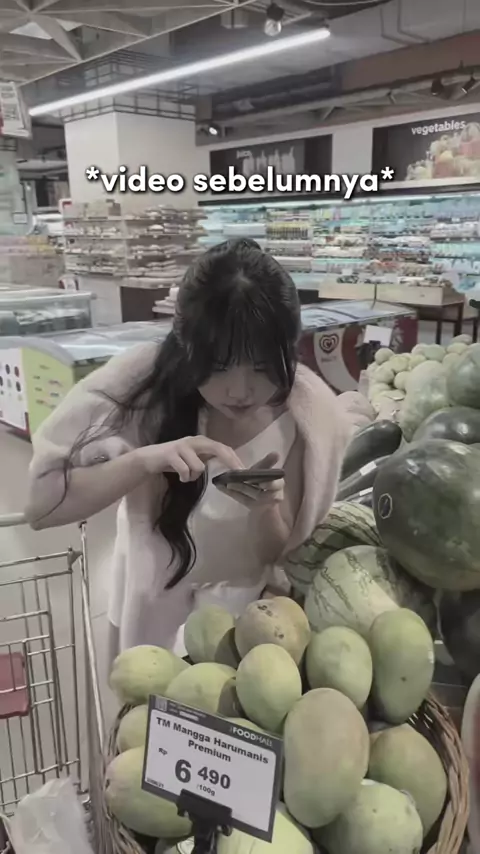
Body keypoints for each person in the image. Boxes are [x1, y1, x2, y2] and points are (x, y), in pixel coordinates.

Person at [25, 238, 352, 660]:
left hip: (243, 623)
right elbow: (42, 507)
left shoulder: (305, 417)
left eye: (261, 367)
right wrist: (144, 460)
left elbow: (276, 555)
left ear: (288, 349)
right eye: (218, 366)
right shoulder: (143, 386)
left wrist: (264, 509)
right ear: (186, 345)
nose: (240, 390)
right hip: (152, 603)